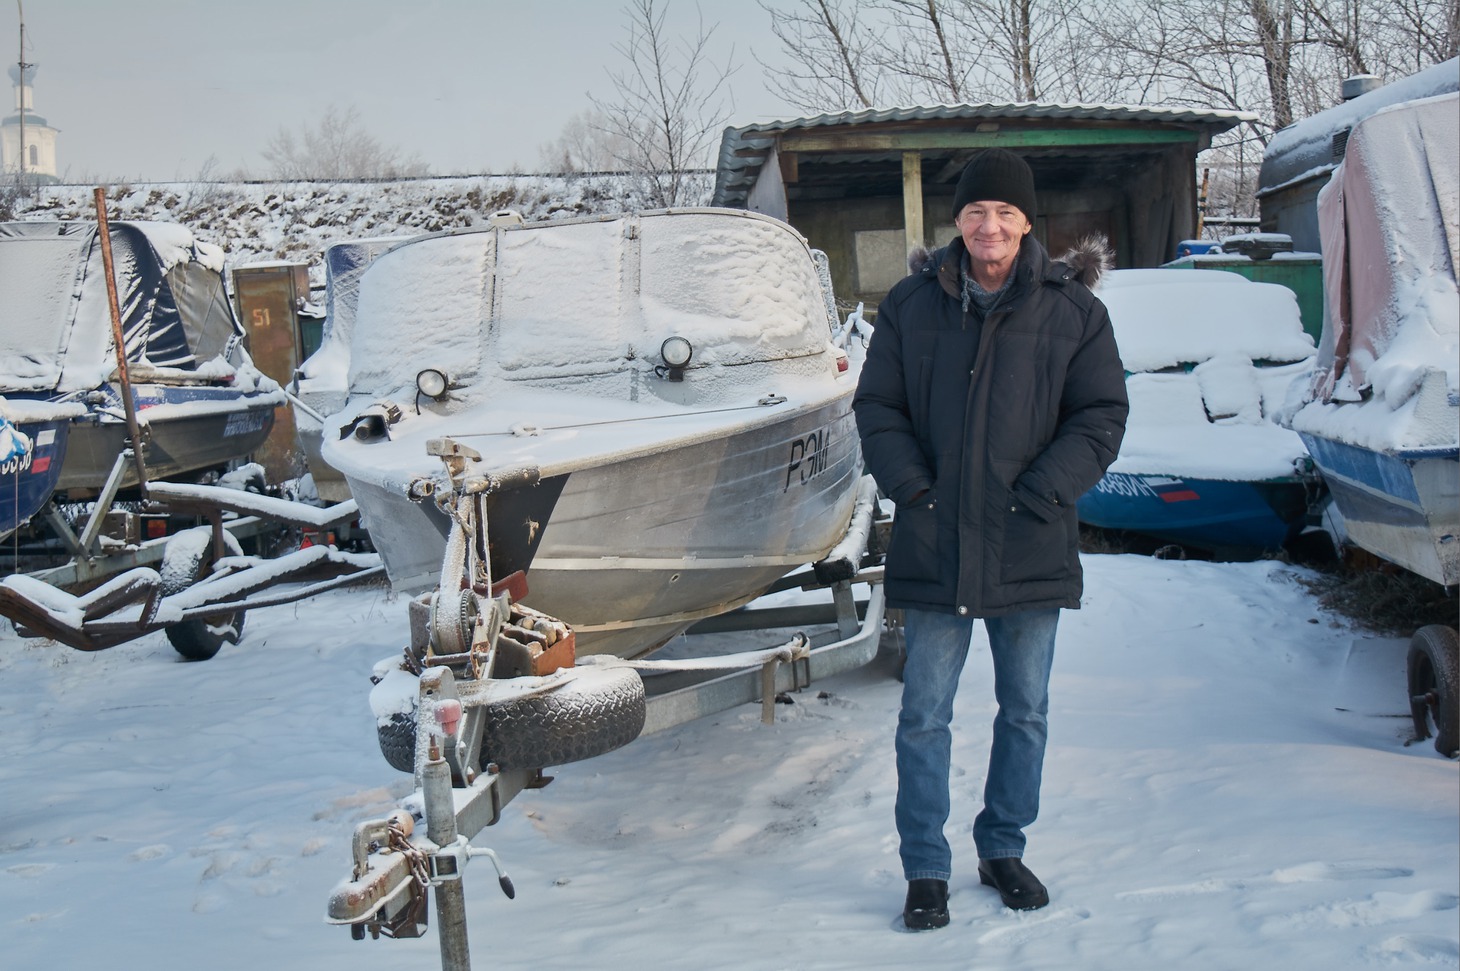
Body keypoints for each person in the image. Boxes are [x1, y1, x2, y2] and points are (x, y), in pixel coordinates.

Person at [852, 148, 1128, 932]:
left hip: (1029, 540)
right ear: (958, 222)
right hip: (936, 538)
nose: (990, 225)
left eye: (1005, 212)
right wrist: (915, 488)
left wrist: (1042, 492)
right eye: (976, 212)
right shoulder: (912, 305)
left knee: (1026, 710)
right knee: (924, 714)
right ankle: (926, 866)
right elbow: (879, 408)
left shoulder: (1073, 311)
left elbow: (1101, 415)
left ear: (1027, 222)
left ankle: (1002, 845)